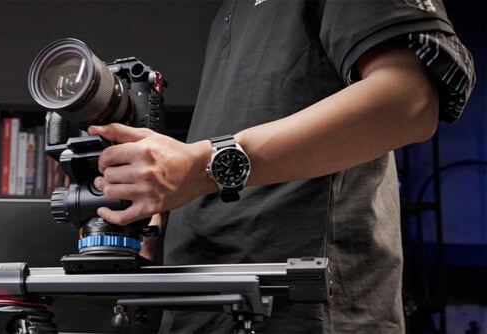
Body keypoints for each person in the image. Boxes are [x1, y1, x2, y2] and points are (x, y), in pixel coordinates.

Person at [88, 0, 475, 332]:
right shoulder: (230, 10)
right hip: (200, 303)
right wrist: (154, 229)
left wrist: (203, 165)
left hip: (302, 305)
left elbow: (408, 101)